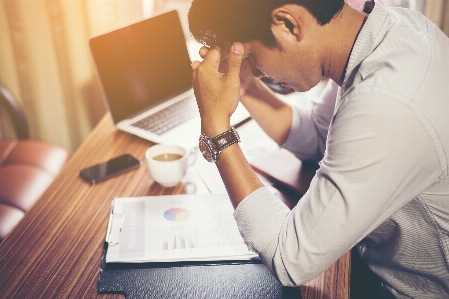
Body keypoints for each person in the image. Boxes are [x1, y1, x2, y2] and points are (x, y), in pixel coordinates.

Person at [188, 0, 449, 298]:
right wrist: (244, 84)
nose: (257, 71)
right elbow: (314, 135)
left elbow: (290, 259)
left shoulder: (387, 103)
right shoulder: (391, 31)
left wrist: (217, 128)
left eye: (251, 56)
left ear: (288, 24)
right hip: (368, 255)